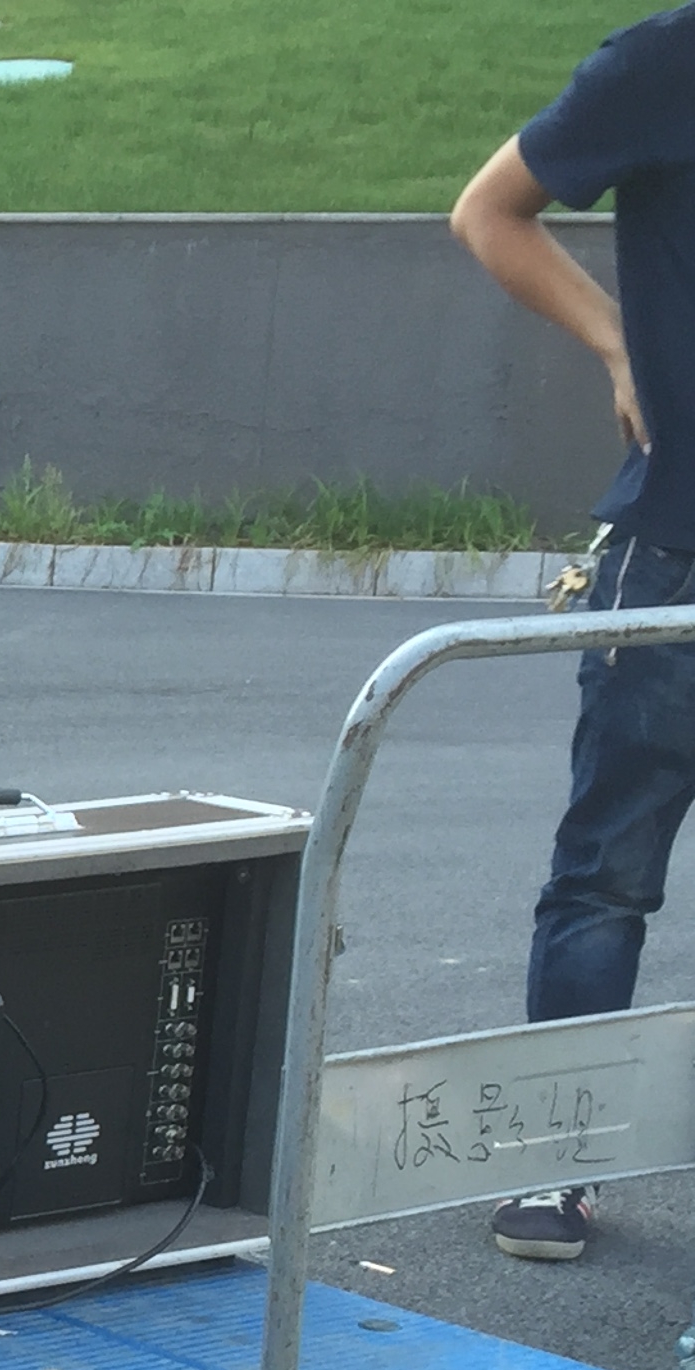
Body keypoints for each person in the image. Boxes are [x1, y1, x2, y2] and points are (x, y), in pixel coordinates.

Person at [450, 4, 695, 1262]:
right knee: (608, 870)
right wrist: (618, 345)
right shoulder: (667, 58)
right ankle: (554, 1163)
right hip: (675, 551)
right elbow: (490, 210)